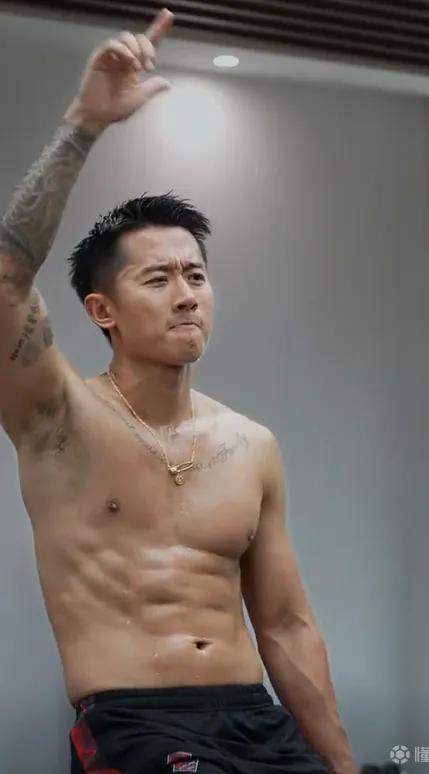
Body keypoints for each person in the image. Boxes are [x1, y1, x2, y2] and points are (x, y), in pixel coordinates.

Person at [0, 8, 357, 774]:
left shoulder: (249, 445)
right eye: (157, 279)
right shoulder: (57, 417)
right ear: (103, 311)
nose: (187, 294)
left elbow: (287, 626)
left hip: (255, 721)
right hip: (135, 726)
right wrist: (84, 125)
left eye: (196, 275)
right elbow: (4, 278)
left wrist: (343, 764)